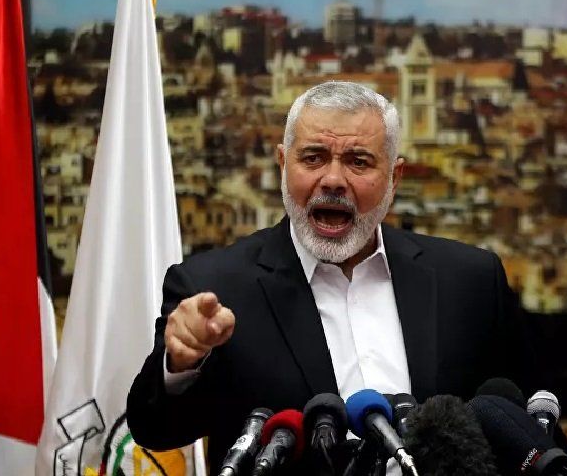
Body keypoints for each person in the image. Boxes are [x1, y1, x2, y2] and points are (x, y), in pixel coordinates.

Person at [126, 81, 536, 471]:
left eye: (359, 161)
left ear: (394, 178)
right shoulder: (214, 288)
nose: (334, 180)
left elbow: (527, 430)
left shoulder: (469, 281)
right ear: (283, 164)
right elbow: (155, 429)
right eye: (313, 158)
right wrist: (182, 361)